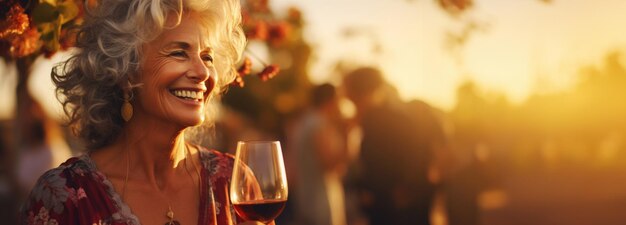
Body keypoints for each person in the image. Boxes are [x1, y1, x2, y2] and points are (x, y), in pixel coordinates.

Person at [20, 0, 268, 224]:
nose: (202, 72)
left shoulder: (233, 183)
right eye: (179, 53)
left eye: (207, 57)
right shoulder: (63, 197)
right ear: (126, 71)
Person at [342, 67, 440, 225]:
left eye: (349, 93)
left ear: (360, 93)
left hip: (397, 206)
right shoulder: (380, 118)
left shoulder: (382, 121)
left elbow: (404, 160)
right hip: (396, 203)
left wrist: (403, 189)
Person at [290, 83, 350, 225]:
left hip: (306, 194)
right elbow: (329, 164)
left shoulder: (305, 122)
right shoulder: (318, 125)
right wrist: (348, 137)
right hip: (321, 198)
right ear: (331, 100)